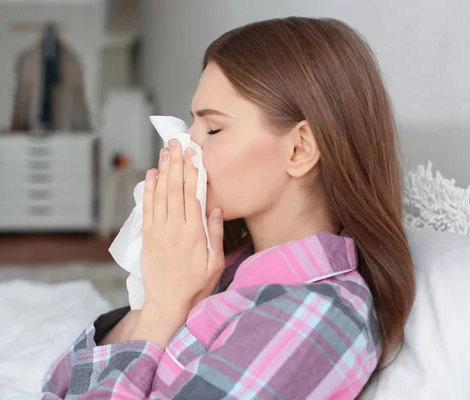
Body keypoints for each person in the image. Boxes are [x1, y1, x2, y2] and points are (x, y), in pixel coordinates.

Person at [42, 17, 415, 400]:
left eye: (213, 129)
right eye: (192, 124)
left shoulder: (315, 317)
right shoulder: (226, 265)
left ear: (299, 148)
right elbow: (60, 381)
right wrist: (162, 297)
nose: (182, 146)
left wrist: (162, 309)